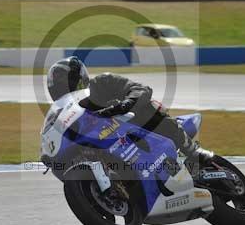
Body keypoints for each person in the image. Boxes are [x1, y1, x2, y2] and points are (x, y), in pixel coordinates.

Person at [46, 56, 216, 172]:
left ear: (80, 79)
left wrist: (126, 104)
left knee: (147, 105)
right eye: (59, 87)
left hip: (137, 127)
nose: (65, 90)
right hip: (108, 144)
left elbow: (140, 89)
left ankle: (191, 150)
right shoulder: (63, 114)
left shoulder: (103, 82)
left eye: (67, 84)